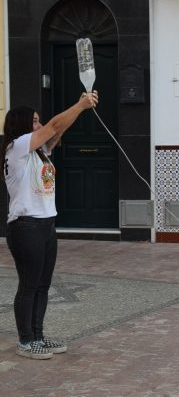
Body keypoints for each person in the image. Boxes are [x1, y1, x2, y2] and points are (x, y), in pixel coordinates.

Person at [0, 91, 99, 359]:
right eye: (34, 121)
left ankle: (38, 337)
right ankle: (25, 341)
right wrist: (79, 104)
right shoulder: (18, 146)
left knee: (43, 285)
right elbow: (53, 126)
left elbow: (58, 129)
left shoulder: (39, 152)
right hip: (26, 226)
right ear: (21, 125)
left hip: (45, 225)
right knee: (29, 285)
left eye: (39, 120)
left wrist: (81, 108)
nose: (39, 125)